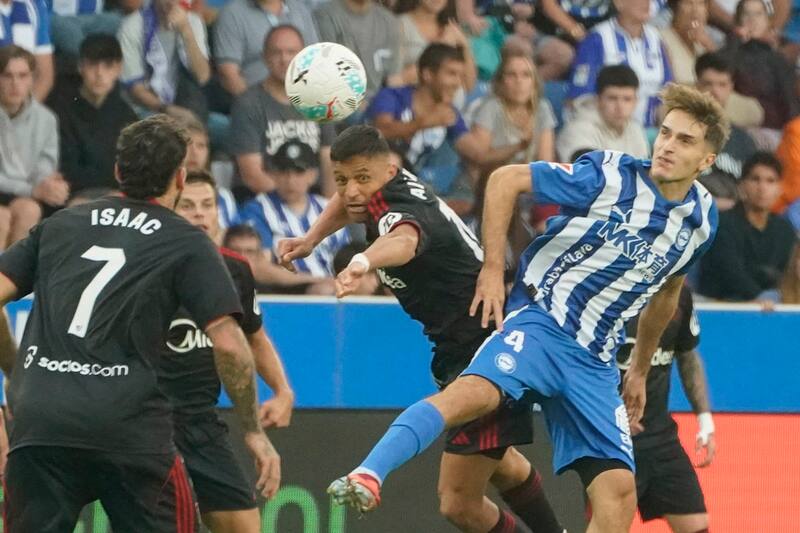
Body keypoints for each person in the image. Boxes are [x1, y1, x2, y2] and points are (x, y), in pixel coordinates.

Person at [324, 84, 728, 533]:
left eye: (685, 141)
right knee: (468, 399)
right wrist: (493, 269)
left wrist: (636, 370)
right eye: (666, 133)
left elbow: (668, 292)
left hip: (594, 358)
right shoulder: (611, 176)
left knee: (617, 494)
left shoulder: (702, 221)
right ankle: (369, 472)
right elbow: (504, 180)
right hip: (541, 320)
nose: (668, 146)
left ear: (707, 160)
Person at [278, 125, 565, 533]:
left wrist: (363, 262)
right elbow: (349, 203)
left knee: (458, 504)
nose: (352, 190)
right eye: (342, 179)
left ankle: (371, 473)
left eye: (362, 178)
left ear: (388, 170)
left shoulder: (404, 213)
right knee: (501, 464)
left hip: (486, 344)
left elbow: (404, 240)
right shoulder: (381, 188)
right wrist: (310, 238)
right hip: (460, 344)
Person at [0, 115, 280, 532]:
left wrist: (14, 369)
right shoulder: (185, 241)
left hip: (43, 420)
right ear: (181, 178)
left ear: (117, 172)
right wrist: (253, 430)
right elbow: (228, 344)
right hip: (130, 429)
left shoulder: (61, 224)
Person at [165, 169, 294, 533]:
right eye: (188, 205)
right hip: (147, 422)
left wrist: (282, 391)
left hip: (201, 423)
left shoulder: (235, 269)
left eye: (208, 205)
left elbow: (254, 338)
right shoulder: (148, 265)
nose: (200, 214)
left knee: (244, 525)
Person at [617, 285, 715, 532]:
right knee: (606, 525)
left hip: (661, 439)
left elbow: (688, 356)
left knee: (697, 525)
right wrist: (612, 417)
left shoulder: (678, 290)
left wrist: (705, 422)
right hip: (610, 442)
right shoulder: (608, 288)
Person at [366, 43, 483, 211]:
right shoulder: (392, 96)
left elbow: (475, 152)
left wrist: (519, 146)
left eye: (460, 76)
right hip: (373, 176)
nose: (457, 83)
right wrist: (425, 122)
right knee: (391, 161)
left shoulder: (448, 112)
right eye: (451, 74)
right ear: (428, 74)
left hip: (415, 185)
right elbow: (381, 130)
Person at [228, 24, 335, 198]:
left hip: (313, 200)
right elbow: (252, 175)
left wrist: (325, 212)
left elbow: (330, 162)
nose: (284, 59)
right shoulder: (248, 103)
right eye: (276, 52)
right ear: (264, 57)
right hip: (264, 201)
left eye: (291, 52)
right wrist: (294, 207)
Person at [241, 139, 348, 293]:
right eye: (284, 171)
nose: (290, 180)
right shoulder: (258, 209)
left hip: (335, 287)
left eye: (299, 172)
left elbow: (346, 258)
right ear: (273, 174)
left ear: (312, 175)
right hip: (287, 291)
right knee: (322, 291)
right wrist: (317, 281)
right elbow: (260, 268)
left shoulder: (328, 208)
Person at [698, 152, 797, 302]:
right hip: (721, 306)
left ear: (780, 189)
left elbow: (788, 273)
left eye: (770, 181)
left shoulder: (785, 229)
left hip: (773, 310)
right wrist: (759, 296)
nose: (762, 187)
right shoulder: (723, 223)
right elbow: (729, 271)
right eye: (755, 179)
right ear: (742, 185)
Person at [48, 34, 138, 196]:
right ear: (80, 67)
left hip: (114, 194)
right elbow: (65, 168)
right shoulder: (58, 108)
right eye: (92, 65)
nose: (99, 73)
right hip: (71, 196)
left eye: (108, 66)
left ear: (119, 69)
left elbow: (132, 169)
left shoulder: (127, 115)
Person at [0, 45, 67, 250]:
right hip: (19, 188)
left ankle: (12, 279)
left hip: (26, 192)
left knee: (30, 211)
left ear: (32, 79)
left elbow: (46, 163)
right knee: (1, 218)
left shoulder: (46, 118)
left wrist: (47, 186)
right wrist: (33, 189)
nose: (15, 84)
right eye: (7, 76)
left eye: (22, 76)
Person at [567, 0, 673, 128]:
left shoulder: (656, 39)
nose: (646, 3)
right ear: (618, 3)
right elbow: (580, 98)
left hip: (652, 131)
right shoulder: (597, 38)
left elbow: (668, 91)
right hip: (606, 130)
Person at [465, 46, 557, 177]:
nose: (519, 81)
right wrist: (517, 147)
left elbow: (546, 164)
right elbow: (478, 159)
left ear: (534, 82)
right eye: (511, 75)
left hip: (526, 187)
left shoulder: (542, 108)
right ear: (501, 81)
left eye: (526, 75)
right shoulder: (490, 108)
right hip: (486, 184)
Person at [118, 0, 211, 121]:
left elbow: (202, 76)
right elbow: (136, 89)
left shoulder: (192, 22)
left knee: (196, 102)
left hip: (182, 102)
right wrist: (167, 110)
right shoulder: (131, 26)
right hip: (143, 109)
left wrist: (186, 30)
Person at [214, 0, 318, 98]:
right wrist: (256, 106)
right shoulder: (232, 14)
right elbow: (228, 74)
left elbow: (316, 59)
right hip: (259, 102)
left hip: (304, 99)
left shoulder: (300, 9)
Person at [694, 52, 758, 210]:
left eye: (722, 85)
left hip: (733, 221)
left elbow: (750, 189)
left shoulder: (743, 140)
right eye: (708, 84)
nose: (715, 92)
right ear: (697, 86)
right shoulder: (682, 133)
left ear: (731, 88)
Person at [557, 64, 649, 162]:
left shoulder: (635, 129)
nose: (620, 107)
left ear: (635, 102)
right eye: (612, 98)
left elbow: (643, 173)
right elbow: (588, 174)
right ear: (598, 100)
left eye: (627, 99)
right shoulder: (578, 130)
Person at [314, 0, 403, 101]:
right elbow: (326, 73)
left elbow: (394, 78)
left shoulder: (389, 21)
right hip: (341, 100)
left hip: (379, 104)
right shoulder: (326, 15)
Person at [0, 0, 54, 100]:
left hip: (26, 107)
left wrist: (26, 113)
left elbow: (44, 76)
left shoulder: (35, 5)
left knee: (47, 116)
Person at [659, 0, 717, 84]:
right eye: (688, 3)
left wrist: (709, 45)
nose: (695, 10)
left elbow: (722, 79)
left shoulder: (705, 43)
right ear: (675, 9)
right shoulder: (661, 39)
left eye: (701, 3)